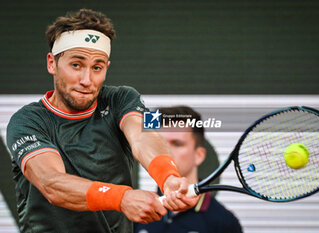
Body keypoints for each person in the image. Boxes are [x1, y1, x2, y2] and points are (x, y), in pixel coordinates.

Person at [6, 9, 197, 233]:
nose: (87, 80)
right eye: (76, 65)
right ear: (52, 63)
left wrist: (169, 177)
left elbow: (146, 135)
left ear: (106, 68)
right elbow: (52, 184)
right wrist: (122, 198)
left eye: (97, 67)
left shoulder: (125, 97)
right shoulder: (26, 121)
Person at [134, 106, 243, 233]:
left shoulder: (223, 222)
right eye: (160, 144)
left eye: (177, 144)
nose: (165, 151)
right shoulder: (138, 213)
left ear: (199, 155)